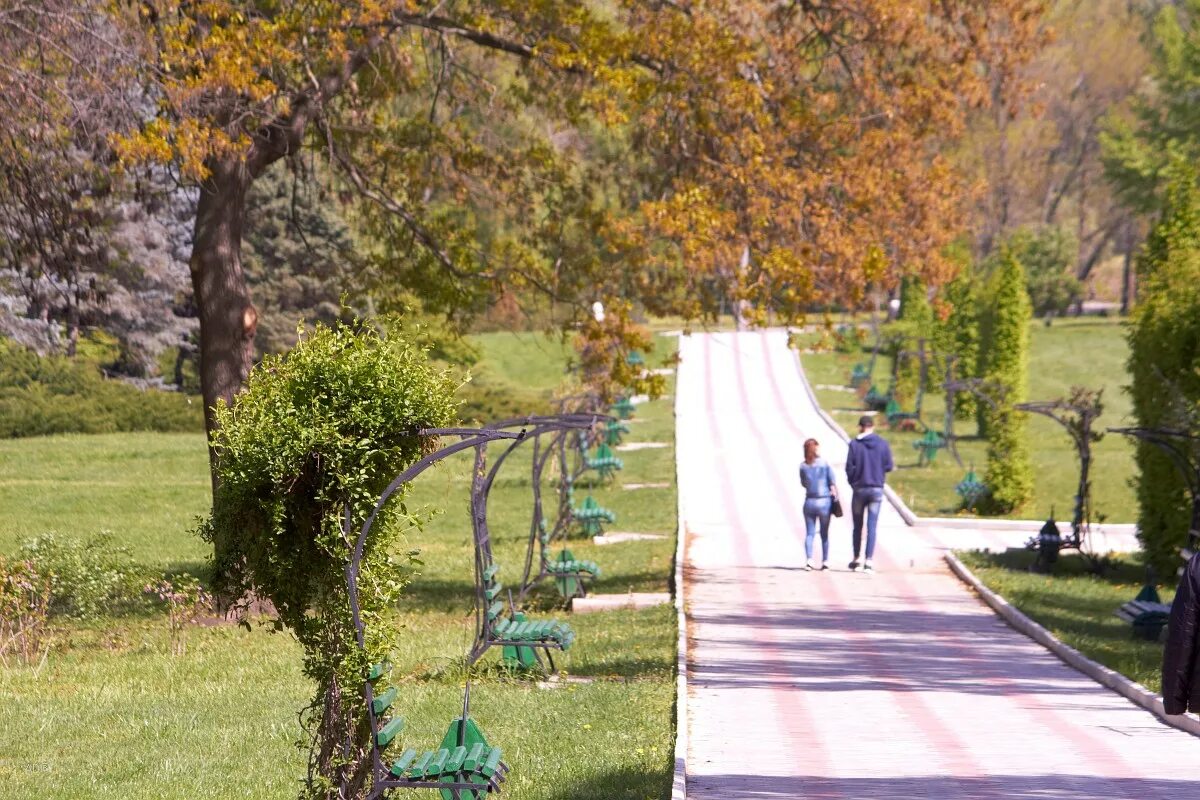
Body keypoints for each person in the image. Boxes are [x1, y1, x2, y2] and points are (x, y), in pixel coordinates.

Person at [845, 415, 893, 573]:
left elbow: (849, 467)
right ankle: (869, 561)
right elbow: (888, 466)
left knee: (857, 526)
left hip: (859, 489)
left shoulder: (854, 444)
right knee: (872, 525)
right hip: (876, 489)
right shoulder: (883, 444)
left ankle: (856, 558)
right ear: (872, 426)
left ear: (860, 426)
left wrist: (853, 482)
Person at [798, 438, 838, 571]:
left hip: (809, 501)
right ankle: (825, 561)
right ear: (815, 449)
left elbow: (803, 483)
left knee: (810, 533)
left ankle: (809, 560)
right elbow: (832, 481)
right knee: (824, 533)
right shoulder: (824, 464)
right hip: (824, 502)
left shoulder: (803, 466)